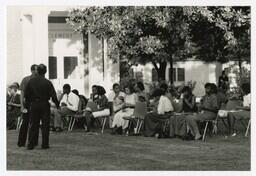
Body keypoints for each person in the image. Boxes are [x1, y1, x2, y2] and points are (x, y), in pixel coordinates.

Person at [24, 64, 59, 150]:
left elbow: (26, 95)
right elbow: (53, 96)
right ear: (45, 72)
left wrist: (28, 105)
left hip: (34, 104)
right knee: (45, 125)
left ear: (37, 71)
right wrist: (57, 105)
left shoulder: (31, 82)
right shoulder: (48, 82)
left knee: (33, 124)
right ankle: (45, 144)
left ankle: (31, 144)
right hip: (44, 104)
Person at [17, 64, 38, 147]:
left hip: (36, 103)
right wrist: (22, 105)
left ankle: (33, 142)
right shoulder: (26, 79)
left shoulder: (40, 80)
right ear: (32, 70)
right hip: (28, 103)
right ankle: (21, 142)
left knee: (35, 123)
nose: (38, 71)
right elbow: (22, 93)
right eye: (36, 70)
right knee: (25, 122)